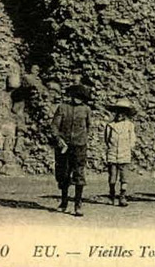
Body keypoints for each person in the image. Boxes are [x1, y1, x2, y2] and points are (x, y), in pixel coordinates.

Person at [51, 84, 92, 217]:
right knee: (63, 174)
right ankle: (63, 203)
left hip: (79, 146)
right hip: (63, 146)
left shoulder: (86, 110)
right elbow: (54, 126)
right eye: (75, 96)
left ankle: (78, 205)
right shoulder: (62, 108)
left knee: (79, 174)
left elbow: (88, 127)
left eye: (80, 98)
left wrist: (82, 140)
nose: (77, 100)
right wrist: (58, 140)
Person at [104, 97, 136, 207]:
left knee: (124, 177)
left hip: (125, 154)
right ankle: (112, 195)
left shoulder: (129, 126)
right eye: (118, 112)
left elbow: (132, 140)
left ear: (126, 113)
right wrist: (111, 148)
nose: (119, 114)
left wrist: (127, 149)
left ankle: (122, 196)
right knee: (112, 177)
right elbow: (107, 140)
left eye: (122, 112)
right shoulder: (110, 126)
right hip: (113, 154)